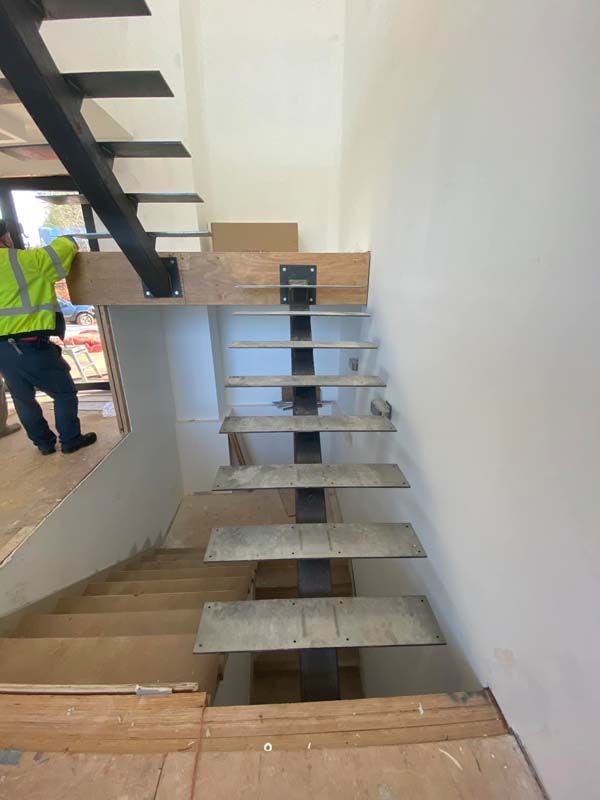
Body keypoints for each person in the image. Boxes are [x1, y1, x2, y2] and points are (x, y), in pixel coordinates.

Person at [0, 219, 96, 455]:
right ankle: (70, 439)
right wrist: (70, 238)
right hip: (30, 344)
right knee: (63, 392)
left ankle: (43, 444)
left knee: (23, 398)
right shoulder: (26, 261)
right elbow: (62, 249)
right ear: (7, 239)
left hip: (2, 350)